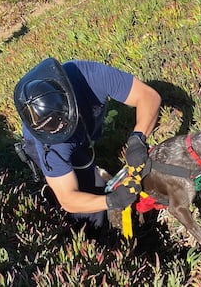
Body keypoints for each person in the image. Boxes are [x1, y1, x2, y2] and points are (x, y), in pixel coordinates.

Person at [13, 57, 161, 228]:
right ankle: (95, 237)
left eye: (63, 123)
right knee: (90, 210)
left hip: (85, 133)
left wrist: (137, 140)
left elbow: (148, 97)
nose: (61, 130)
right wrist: (112, 200)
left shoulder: (87, 75)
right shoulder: (49, 145)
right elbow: (68, 198)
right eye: (55, 130)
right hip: (57, 151)